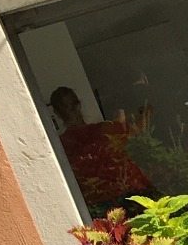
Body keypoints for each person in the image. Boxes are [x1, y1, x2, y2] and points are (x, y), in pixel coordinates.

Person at [49, 86, 156, 215]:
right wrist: (147, 110)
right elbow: (138, 128)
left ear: (56, 112)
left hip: (100, 205)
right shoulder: (104, 130)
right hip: (129, 193)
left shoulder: (60, 146)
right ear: (78, 105)